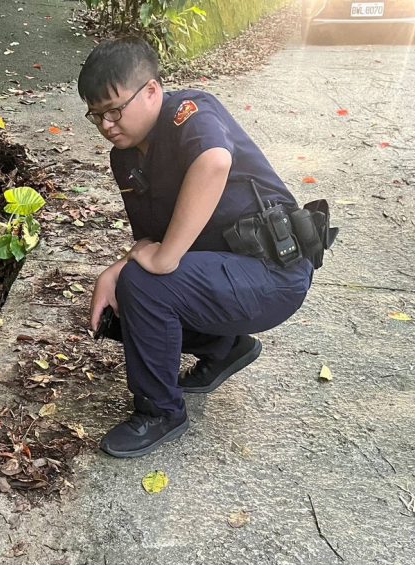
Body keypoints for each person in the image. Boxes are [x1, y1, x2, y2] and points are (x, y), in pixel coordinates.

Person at [80, 38, 317, 458]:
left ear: (152, 91)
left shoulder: (188, 112)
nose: (106, 125)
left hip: (272, 273)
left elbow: (214, 162)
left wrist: (159, 260)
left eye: (115, 110)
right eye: (96, 115)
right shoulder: (126, 158)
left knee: (145, 286)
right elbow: (152, 240)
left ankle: (160, 411)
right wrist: (112, 271)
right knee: (122, 303)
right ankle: (224, 347)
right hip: (225, 272)